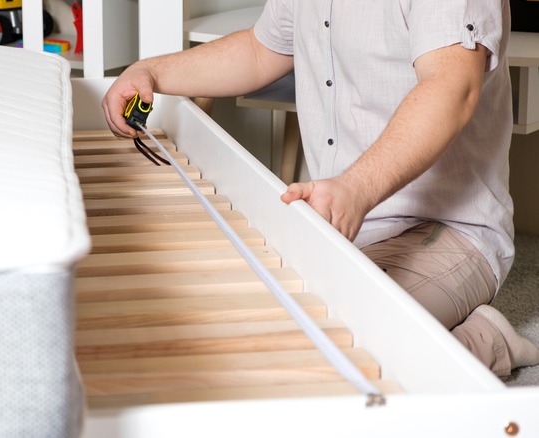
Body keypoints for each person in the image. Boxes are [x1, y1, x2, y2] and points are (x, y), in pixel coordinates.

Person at [101, 0, 539, 377]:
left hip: (446, 227)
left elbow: (452, 88)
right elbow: (259, 51)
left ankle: (488, 341)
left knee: (343, 354)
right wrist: (150, 72)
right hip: (339, 219)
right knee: (256, 337)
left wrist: (356, 187)